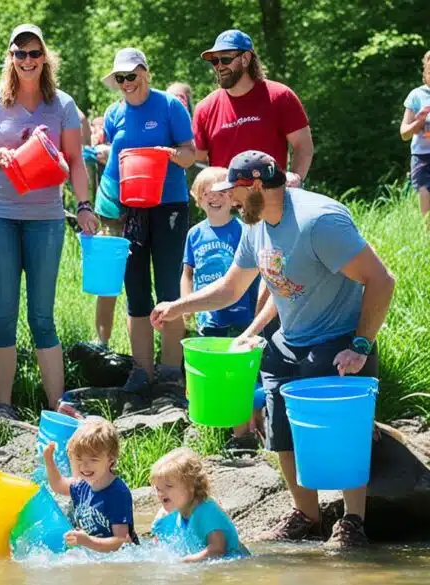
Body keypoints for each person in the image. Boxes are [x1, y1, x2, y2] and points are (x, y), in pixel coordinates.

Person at [151, 151, 396, 548]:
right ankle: (307, 516)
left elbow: (381, 281)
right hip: (289, 340)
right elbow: (233, 287)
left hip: (337, 339)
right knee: (281, 432)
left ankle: (353, 522)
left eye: (235, 191)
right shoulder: (255, 223)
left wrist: (361, 347)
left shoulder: (319, 223)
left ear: (259, 185)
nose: (230, 200)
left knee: (340, 435)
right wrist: (177, 306)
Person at [0, 24, 98, 418]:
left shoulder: (61, 105)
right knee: (3, 311)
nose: (27, 60)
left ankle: (55, 405)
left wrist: (84, 205)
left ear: (45, 58)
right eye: (19, 53)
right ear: (10, 58)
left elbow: (76, 161)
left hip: (45, 218)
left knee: (42, 314)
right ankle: (3, 406)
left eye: (34, 53)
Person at [97, 48, 196, 399]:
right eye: (120, 78)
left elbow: (190, 154)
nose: (126, 84)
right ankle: (142, 371)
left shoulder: (170, 106)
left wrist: (166, 154)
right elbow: (109, 161)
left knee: (169, 287)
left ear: (145, 73)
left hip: (169, 204)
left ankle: (171, 371)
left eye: (131, 76)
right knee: (136, 289)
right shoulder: (114, 114)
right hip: (130, 208)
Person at [182, 167, 262, 445]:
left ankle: (245, 433)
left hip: (242, 315)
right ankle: (214, 429)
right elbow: (188, 272)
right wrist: (185, 306)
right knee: (212, 372)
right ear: (197, 199)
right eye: (206, 193)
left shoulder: (243, 229)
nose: (213, 198)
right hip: (209, 319)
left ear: (232, 197)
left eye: (220, 192)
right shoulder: (194, 234)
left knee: (241, 374)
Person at [194, 30, 313, 187]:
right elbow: (198, 160)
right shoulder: (205, 108)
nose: (219, 66)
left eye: (225, 59)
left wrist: (296, 179)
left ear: (245, 59)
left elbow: (303, 145)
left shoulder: (280, 96)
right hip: (227, 204)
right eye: (215, 61)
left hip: (272, 201)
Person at [42, 416, 137, 552]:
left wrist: (87, 541)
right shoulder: (82, 485)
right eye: (79, 458)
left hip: (118, 559)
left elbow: (121, 541)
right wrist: (48, 459)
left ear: (110, 459)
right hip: (93, 551)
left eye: (93, 459)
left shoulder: (117, 493)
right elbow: (58, 485)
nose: (85, 466)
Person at [150, 447, 247, 561]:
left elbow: (217, 549)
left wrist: (185, 561)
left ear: (190, 486)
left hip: (235, 566)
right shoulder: (171, 514)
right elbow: (157, 547)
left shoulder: (207, 510)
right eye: (158, 489)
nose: (161, 493)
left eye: (169, 486)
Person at [400, 50, 430, 228]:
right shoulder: (417, 95)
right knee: (425, 202)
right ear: (425, 72)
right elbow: (404, 133)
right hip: (422, 157)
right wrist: (418, 122)